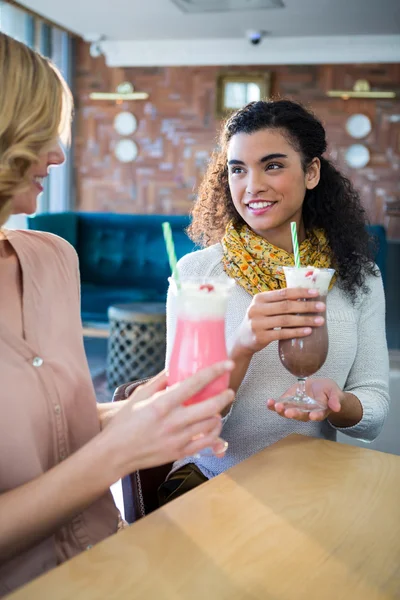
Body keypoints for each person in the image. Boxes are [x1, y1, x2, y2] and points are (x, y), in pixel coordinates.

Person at [0, 32, 234, 595]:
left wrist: (136, 410)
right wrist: (119, 452)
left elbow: (58, 429)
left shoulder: (54, 260)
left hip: (112, 568)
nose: (58, 155)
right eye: (41, 132)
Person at [159, 99, 390, 504]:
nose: (252, 186)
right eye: (237, 169)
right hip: (214, 483)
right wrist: (241, 346)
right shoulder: (197, 275)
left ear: (312, 172)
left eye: (273, 165)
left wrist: (337, 402)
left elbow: (372, 407)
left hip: (315, 486)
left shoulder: (360, 278)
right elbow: (185, 420)